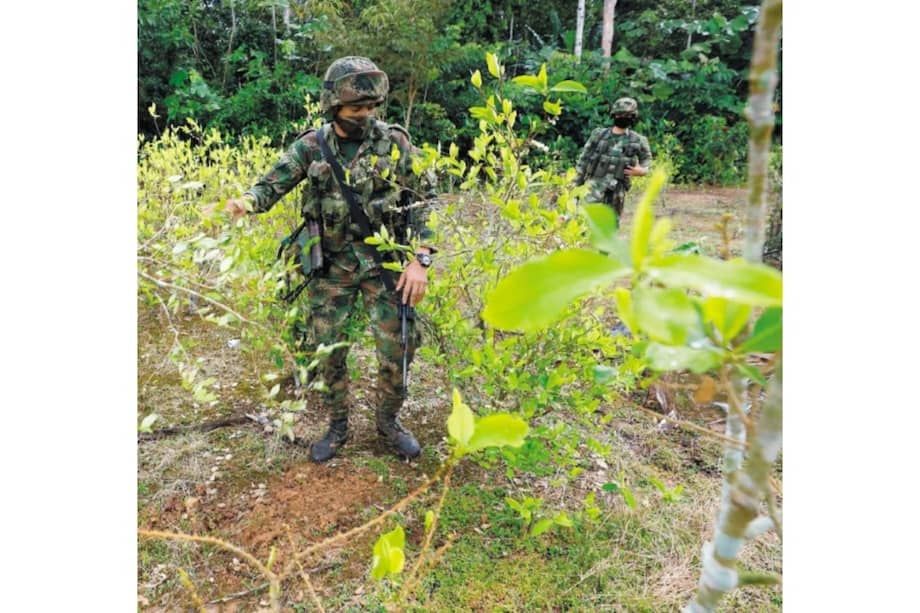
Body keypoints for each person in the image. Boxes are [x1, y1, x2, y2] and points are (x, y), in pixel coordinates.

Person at [210, 56, 437, 463]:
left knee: (399, 349)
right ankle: (338, 425)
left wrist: (420, 259)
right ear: (334, 106)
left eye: (372, 108)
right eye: (356, 109)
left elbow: (424, 201)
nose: (365, 116)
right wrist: (246, 202)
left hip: (385, 267)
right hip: (330, 267)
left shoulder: (396, 143)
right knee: (328, 351)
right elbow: (271, 184)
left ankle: (387, 423)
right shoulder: (312, 146)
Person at [574, 96, 652, 222]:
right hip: (593, 187)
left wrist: (642, 171)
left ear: (633, 117)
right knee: (584, 221)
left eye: (626, 115)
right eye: (619, 115)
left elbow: (647, 161)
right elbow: (583, 162)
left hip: (617, 191)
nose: (622, 118)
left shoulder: (638, 140)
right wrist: (575, 187)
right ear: (613, 115)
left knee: (610, 226)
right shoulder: (599, 135)